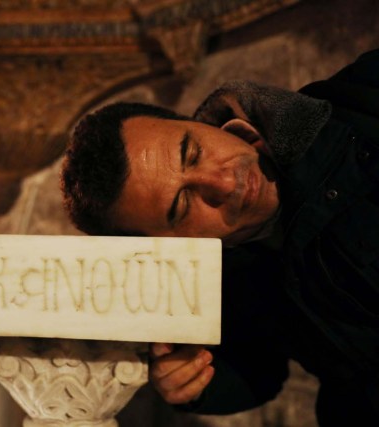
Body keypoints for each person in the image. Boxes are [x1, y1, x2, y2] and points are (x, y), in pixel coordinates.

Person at [60, 48, 379, 425]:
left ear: (214, 126)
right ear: (172, 247)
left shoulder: (362, 101)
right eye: (182, 206)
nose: (225, 182)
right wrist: (200, 380)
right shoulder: (229, 271)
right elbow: (259, 368)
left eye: (193, 152)